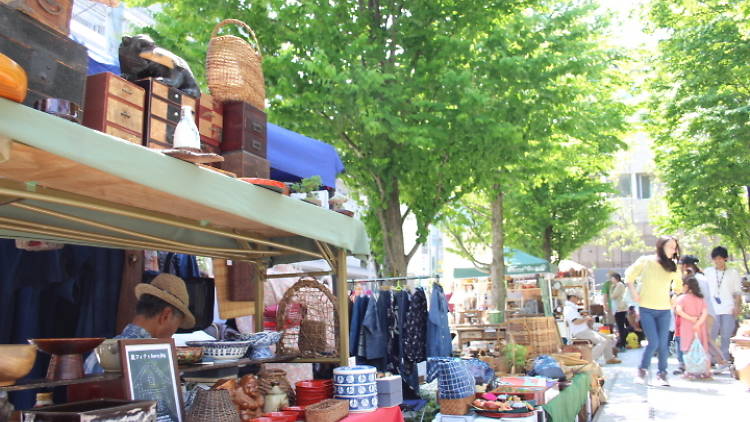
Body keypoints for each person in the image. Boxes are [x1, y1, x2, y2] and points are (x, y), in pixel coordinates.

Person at [84, 273, 195, 373]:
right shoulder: (157, 359)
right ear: (166, 315)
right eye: (176, 326)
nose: (172, 334)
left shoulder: (98, 353)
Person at [625, 236, 681, 386]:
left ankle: (662, 374)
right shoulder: (646, 261)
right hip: (647, 309)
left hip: (664, 310)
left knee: (663, 344)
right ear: (661, 247)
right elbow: (629, 276)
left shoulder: (673, 265)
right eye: (670, 246)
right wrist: (634, 293)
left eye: (674, 247)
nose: (673, 250)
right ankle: (642, 370)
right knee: (654, 342)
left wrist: (675, 296)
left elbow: (679, 286)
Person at [679, 254, 727, 369]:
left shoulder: (696, 279)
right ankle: (711, 362)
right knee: (704, 338)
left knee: (706, 338)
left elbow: (702, 298)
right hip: (707, 312)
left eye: (681, 265)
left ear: (685, 266)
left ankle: (722, 361)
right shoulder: (700, 277)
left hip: (704, 313)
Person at [704, 246, 744, 372]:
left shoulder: (733, 273)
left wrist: (737, 306)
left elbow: (737, 292)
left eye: (720, 259)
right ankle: (711, 360)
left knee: (726, 335)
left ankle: (724, 361)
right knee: (711, 335)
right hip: (712, 309)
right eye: (715, 259)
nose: (718, 261)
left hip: (728, 308)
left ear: (725, 259)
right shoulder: (708, 272)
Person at [564, 294, 621, 365]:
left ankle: (609, 358)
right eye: (577, 298)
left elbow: (577, 321)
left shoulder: (572, 308)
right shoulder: (569, 309)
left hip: (585, 331)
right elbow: (575, 322)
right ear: (572, 298)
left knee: (607, 338)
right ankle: (590, 360)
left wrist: (587, 319)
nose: (578, 300)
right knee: (602, 341)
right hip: (580, 332)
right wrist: (586, 319)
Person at [674, 276, 711, 379]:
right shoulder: (700, 298)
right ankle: (706, 371)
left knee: (688, 349)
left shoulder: (682, 298)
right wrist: (698, 323)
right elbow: (705, 313)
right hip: (700, 327)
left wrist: (691, 319)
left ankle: (690, 371)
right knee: (702, 349)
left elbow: (679, 311)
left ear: (686, 286)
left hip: (687, 327)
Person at [609, 273, 629, 350]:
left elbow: (613, 296)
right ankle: (621, 342)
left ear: (615, 278)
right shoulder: (619, 285)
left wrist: (611, 289)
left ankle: (622, 344)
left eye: (612, 278)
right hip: (620, 308)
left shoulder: (619, 285)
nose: (611, 280)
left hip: (620, 309)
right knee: (621, 327)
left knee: (620, 327)